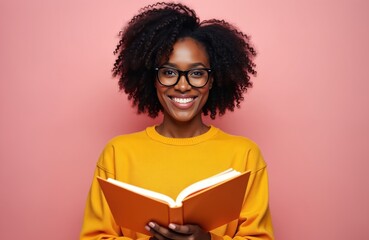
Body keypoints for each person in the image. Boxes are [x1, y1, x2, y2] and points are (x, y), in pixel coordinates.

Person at [80, 2, 274, 240]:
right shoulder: (117, 153)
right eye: (169, 72)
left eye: (197, 73)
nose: (183, 86)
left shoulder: (245, 155)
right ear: (153, 79)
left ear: (212, 80)